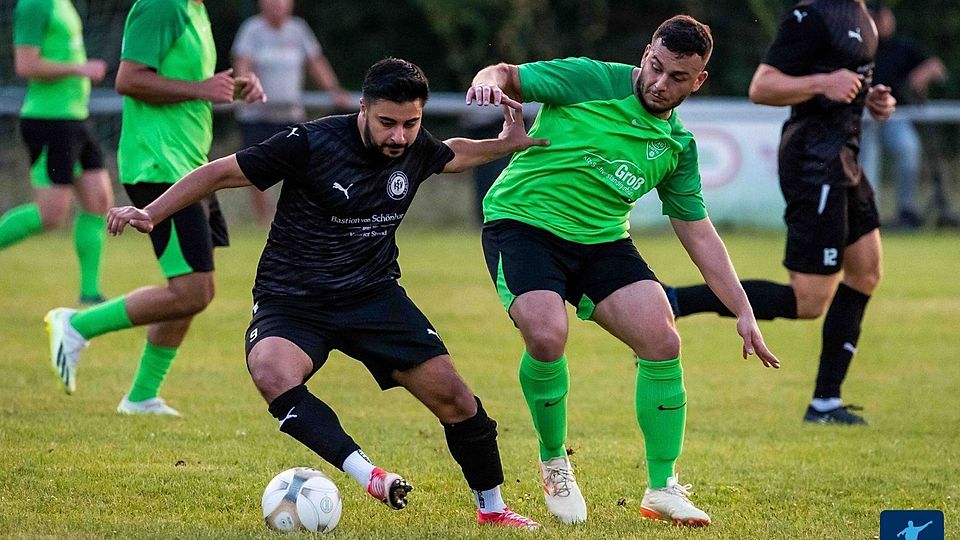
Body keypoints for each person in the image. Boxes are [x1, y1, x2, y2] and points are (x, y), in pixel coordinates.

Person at [106, 58, 548, 530]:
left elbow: (450, 154)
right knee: (271, 371)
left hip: (373, 295)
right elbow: (219, 172)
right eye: (387, 123)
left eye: (410, 124)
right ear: (363, 108)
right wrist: (151, 212)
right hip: (292, 298)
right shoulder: (311, 142)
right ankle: (369, 474)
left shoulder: (415, 146)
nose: (399, 136)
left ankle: (493, 509)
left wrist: (503, 145)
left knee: (456, 400)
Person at [466, 15, 779, 528]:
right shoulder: (591, 78)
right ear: (646, 52)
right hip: (523, 224)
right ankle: (554, 460)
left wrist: (742, 310)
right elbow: (505, 73)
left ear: (698, 81)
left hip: (602, 240)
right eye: (656, 67)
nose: (660, 83)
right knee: (546, 335)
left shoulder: (677, 145)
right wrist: (485, 82)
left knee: (662, 339)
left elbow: (697, 230)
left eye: (678, 78)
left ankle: (662, 488)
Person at [663, 0, 896, 426]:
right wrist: (825, 83)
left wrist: (871, 98)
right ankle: (675, 300)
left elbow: (847, 85)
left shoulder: (863, 14)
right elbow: (763, 86)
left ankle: (825, 402)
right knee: (809, 301)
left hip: (846, 156)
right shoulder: (813, 15)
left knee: (867, 271)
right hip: (814, 161)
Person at [43, 0, 265, 416]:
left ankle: (142, 396)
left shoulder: (196, 9)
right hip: (160, 164)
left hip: (189, 165)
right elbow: (129, 79)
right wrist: (202, 89)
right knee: (190, 290)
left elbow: (179, 84)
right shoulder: (164, 5)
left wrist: (227, 90)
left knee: (195, 292)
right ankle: (76, 326)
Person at [3, 0, 114, 304]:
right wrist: (80, 68)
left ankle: (90, 292)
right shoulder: (35, 6)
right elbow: (25, 65)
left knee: (98, 200)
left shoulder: (62, 4)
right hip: (49, 120)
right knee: (50, 215)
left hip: (76, 117)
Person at [232, 0, 352, 225]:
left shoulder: (298, 30)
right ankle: (263, 222)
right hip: (257, 116)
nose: (277, 5)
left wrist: (333, 89)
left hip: (290, 114)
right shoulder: (252, 30)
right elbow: (243, 63)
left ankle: (297, 217)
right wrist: (246, 88)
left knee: (301, 168)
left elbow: (315, 62)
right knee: (254, 169)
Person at [862, 3, 953, 229]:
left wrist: (920, 76)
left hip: (896, 116)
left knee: (908, 148)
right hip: (863, 117)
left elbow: (937, 68)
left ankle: (905, 209)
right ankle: (865, 212)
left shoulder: (902, 47)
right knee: (864, 161)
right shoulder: (860, 46)